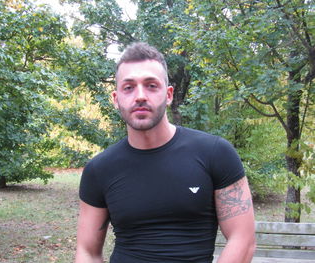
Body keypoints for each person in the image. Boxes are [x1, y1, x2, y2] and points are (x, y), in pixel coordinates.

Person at [75, 42, 256, 263]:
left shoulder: (215, 153)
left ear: (168, 94)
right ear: (116, 99)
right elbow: (87, 252)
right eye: (128, 87)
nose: (140, 96)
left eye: (151, 85)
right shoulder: (99, 169)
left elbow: (243, 239)